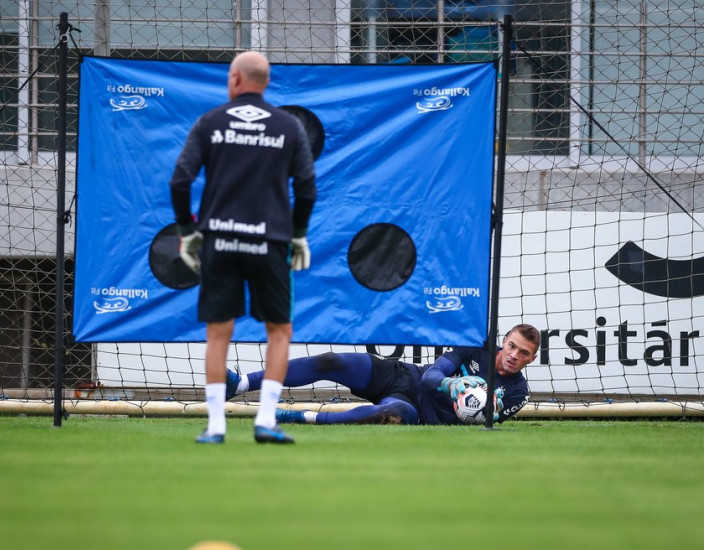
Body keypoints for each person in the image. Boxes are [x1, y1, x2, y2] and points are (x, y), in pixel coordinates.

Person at [170, 51, 317, 444]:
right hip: (270, 242)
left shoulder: (211, 122)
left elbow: (180, 181)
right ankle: (266, 420)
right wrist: (299, 234)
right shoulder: (288, 126)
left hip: (219, 239)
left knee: (219, 333)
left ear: (235, 78)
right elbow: (306, 187)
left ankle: (216, 426)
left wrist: (188, 231)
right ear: (265, 82)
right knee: (280, 331)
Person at [225, 324, 540, 426]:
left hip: (417, 410)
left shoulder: (517, 393)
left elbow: (479, 422)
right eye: (512, 346)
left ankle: (293, 416)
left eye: (523, 353)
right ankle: (240, 384)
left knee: (387, 413)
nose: (514, 356)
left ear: (531, 358)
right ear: (504, 341)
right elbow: (432, 376)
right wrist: (452, 383)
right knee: (332, 360)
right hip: (403, 375)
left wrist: (487, 410)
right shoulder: (476, 347)